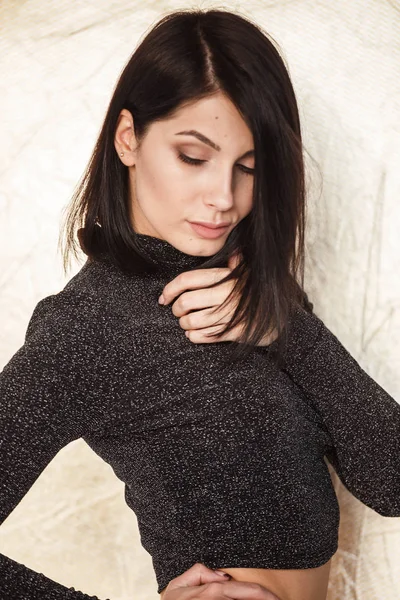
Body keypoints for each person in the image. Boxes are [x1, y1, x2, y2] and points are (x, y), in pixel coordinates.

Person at [1, 7, 399, 600]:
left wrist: (284, 326)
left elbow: (390, 479)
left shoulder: (256, 289)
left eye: (249, 168)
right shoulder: (86, 327)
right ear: (128, 138)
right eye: (193, 156)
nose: (223, 198)